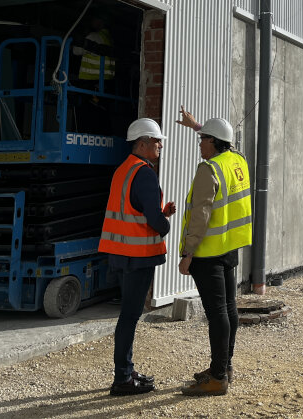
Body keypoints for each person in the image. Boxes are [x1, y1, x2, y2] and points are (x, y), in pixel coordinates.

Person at [175, 107, 252, 396]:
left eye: (203, 139)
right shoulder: (237, 161)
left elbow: (200, 213)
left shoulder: (209, 169)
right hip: (229, 248)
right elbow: (226, 141)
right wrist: (198, 126)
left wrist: (188, 252)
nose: (199, 143)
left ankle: (218, 376)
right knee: (228, 308)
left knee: (217, 312)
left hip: (207, 252)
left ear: (213, 142)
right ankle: (225, 366)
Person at [99, 118, 176, 396]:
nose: (160, 144)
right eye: (156, 141)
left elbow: (132, 210)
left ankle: (126, 371)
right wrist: (165, 223)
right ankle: (122, 378)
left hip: (120, 254)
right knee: (130, 316)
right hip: (138, 256)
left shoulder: (123, 169)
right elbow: (152, 217)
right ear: (141, 143)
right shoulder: (144, 172)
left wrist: (158, 214)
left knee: (127, 316)